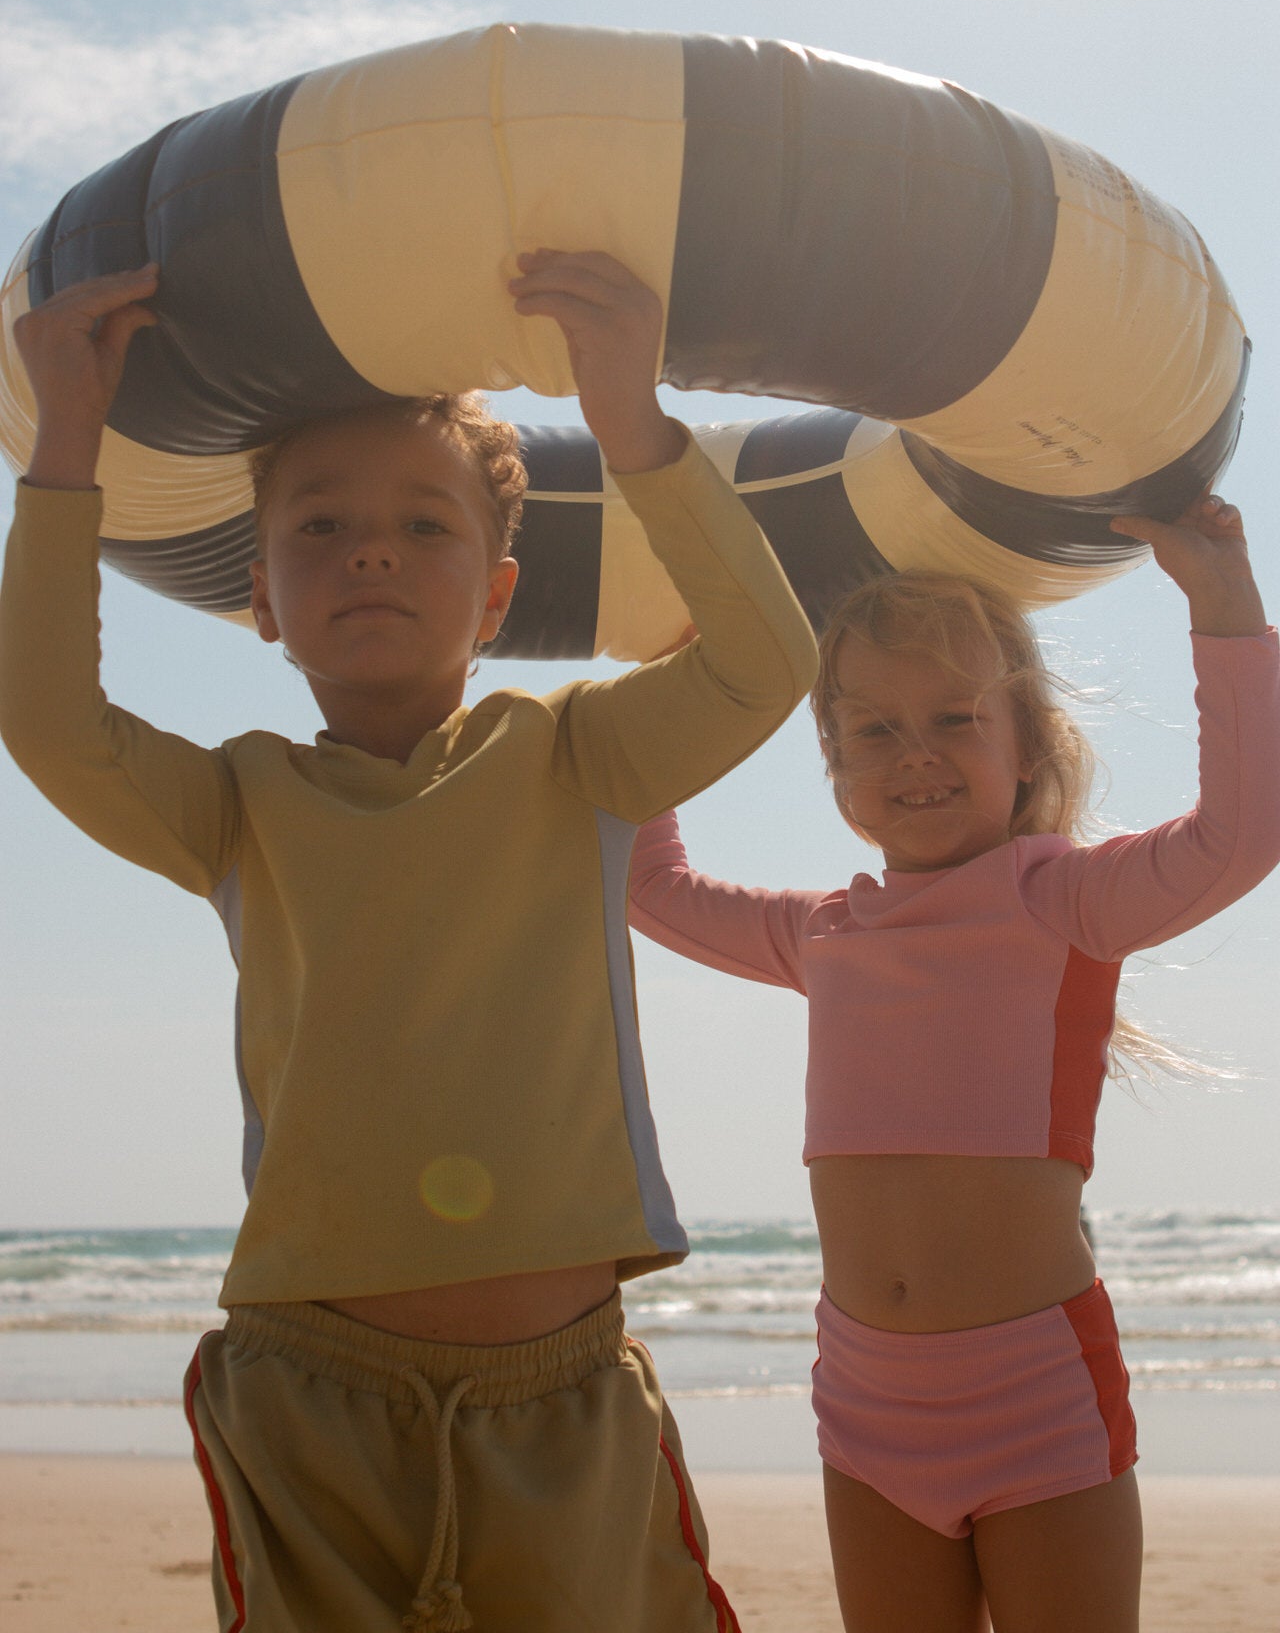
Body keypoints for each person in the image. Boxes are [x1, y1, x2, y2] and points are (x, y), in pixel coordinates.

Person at [0, 250, 818, 1633]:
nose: (369, 547)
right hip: (308, 1393)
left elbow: (764, 662)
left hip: (560, 1400)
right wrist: (67, 437)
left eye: (423, 527)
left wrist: (634, 424)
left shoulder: (579, 755)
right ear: (260, 599)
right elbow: (49, 715)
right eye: (317, 530)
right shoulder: (236, 805)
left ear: (499, 599)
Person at [628, 498, 1280, 1633]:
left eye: (952, 717)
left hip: (1034, 1397)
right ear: (829, 760)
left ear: (1024, 742)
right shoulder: (823, 933)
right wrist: (661, 689)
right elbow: (649, 887)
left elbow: (1242, 829)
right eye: (871, 730)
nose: (913, 751)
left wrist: (1218, 596)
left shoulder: (1062, 904)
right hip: (863, 1401)